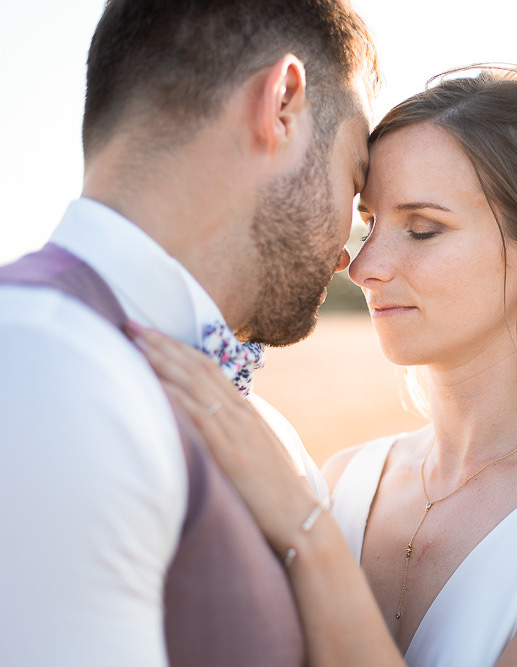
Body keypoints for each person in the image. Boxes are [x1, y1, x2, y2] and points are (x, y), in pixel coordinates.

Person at [132, 65, 517, 666]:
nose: (365, 267)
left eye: (422, 229)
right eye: (370, 225)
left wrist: (303, 532)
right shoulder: (343, 481)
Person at [0, 0, 379, 664]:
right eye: (353, 180)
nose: (349, 250)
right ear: (282, 105)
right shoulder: (47, 366)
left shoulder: (254, 425)